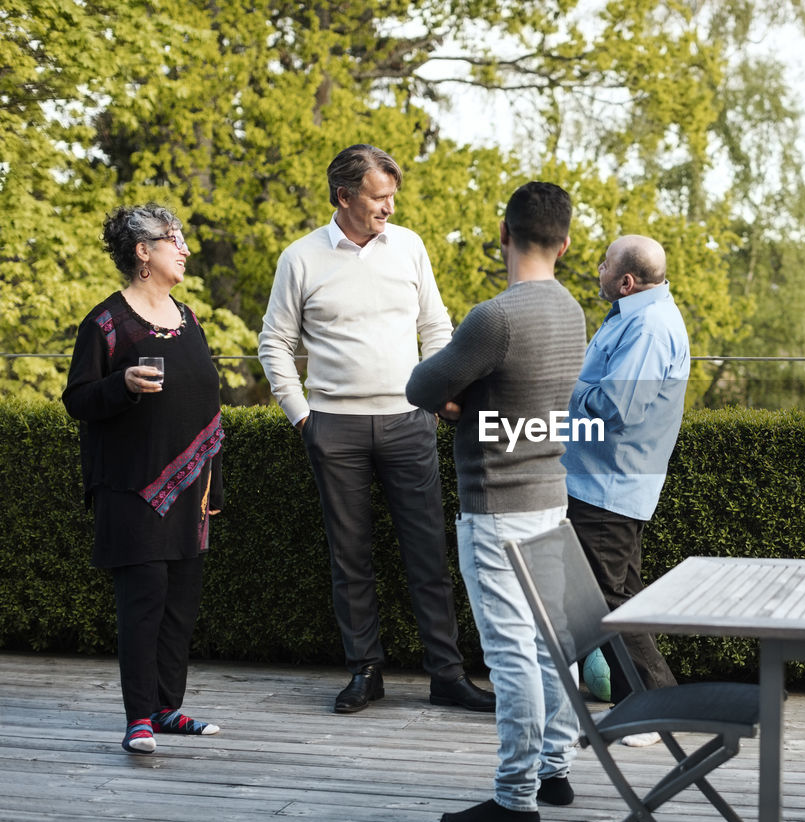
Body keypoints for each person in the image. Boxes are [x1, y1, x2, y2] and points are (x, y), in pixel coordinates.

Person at [258, 144, 493, 714]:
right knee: (349, 557)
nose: (389, 206)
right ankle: (366, 671)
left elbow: (436, 325)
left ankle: (447, 674)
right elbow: (274, 343)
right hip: (332, 426)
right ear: (345, 197)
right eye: (378, 196)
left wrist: (436, 394)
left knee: (428, 554)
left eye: (391, 195)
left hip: (408, 421)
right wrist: (303, 416)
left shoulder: (409, 246)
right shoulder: (301, 258)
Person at [406, 181, 587, 822]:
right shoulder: (572, 311)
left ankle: (515, 797)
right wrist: (474, 394)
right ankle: (553, 769)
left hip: (498, 507)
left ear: (504, 234)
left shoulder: (495, 317)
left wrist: (458, 395)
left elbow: (421, 383)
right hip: (549, 497)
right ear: (564, 244)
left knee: (511, 652)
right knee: (552, 645)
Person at [63, 203, 225, 754]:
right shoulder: (106, 323)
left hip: (189, 492)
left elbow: (209, 410)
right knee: (144, 603)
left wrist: (213, 486)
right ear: (142, 252)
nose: (183, 248)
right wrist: (122, 385)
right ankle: (137, 718)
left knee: (181, 603)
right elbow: (77, 400)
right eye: (172, 239)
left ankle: (166, 709)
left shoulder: (190, 318)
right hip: (131, 489)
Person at [561, 235, 689, 747]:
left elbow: (617, 409)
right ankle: (634, 699)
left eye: (605, 264)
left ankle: (652, 706)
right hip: (601, 479)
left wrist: (561, 380)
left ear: (626, 280)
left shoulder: (650, 327)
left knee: (608, 599)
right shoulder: (634, 315)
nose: (597, 268)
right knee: (612, 595)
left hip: (610, 486)